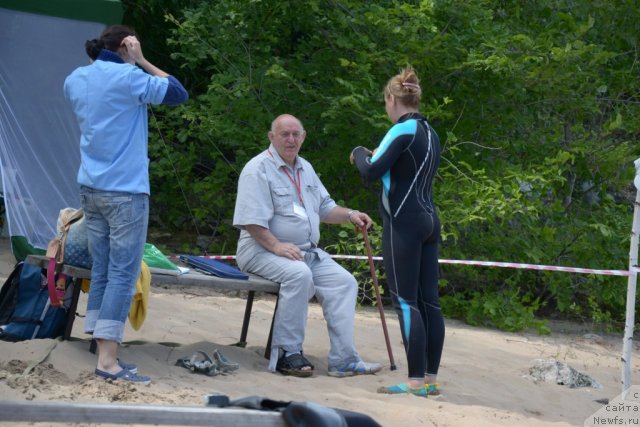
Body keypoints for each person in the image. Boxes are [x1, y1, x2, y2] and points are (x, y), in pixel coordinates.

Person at [63, 25, 188, 384]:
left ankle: (100, 346)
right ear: (126, 45)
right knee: (122, 272)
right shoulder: (129, 76)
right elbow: (178, 92)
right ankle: (108, 360)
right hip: (126, 191)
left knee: (103, 269)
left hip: (90, 186)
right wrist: (142, 60)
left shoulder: (75, 79)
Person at [233, 114, 382, 378]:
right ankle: (288, 354)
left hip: (304, 251)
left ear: (303, 137)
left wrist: (350, 215)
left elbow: (325, 208)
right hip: (260, 249)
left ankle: (343, 360)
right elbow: (251, 221)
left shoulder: (306, 169)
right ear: (271, 137)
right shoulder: (257, 169)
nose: (291, 140)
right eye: (284, 134)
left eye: (295, 134)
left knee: (344, 282)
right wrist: (277, 246)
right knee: (298, 274)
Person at [350, 66, 444, 397]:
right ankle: (431, 380)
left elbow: (372, 171)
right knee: (429, 301)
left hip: (404, 221)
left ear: (392, 99)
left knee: (406, 300)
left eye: (385, 103)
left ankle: (415, 381)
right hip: (430, 219)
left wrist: (359, 153)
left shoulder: (401, 130)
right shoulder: (431, 132)